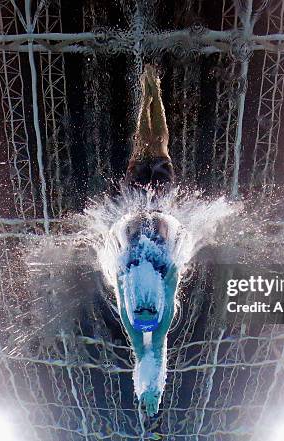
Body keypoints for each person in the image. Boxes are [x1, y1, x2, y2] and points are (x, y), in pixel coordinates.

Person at [114, 64, 180, 416]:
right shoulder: (154, 324)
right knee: (155, 146)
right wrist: (152, 390)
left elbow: (146, 349)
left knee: (151, 145)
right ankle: (150, 90)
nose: (142, 309)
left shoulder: (141, 326)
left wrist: (150, 391)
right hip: (149, 218)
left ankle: (150, 91)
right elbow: (153, 346)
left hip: (147, 218)